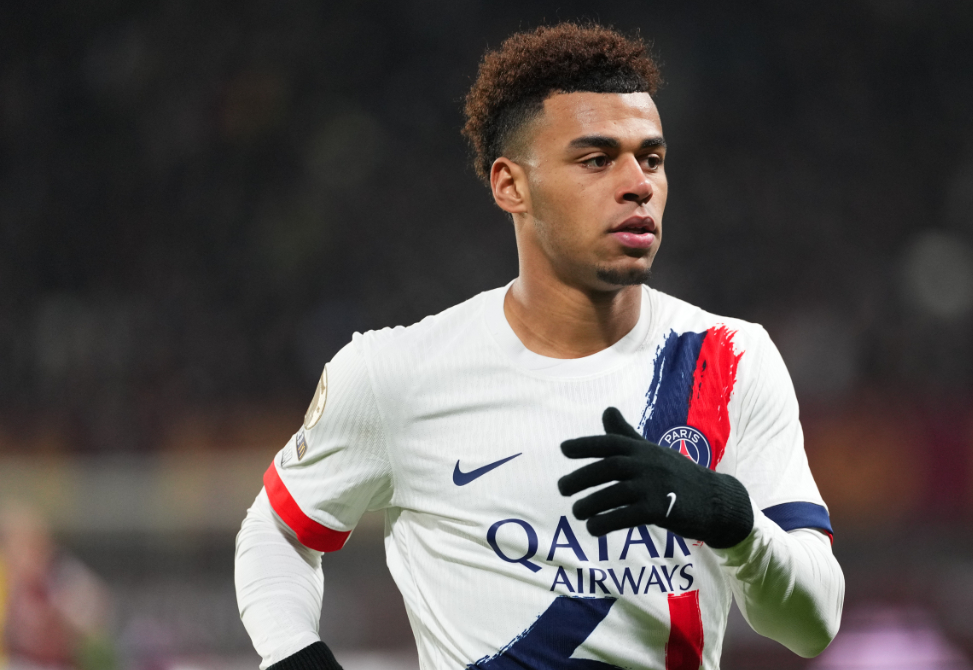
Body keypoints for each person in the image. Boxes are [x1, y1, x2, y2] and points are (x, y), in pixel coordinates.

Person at [234, 22, 844, 670]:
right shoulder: (398, 374)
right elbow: (278, 530)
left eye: (651, 158)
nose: (638, 183)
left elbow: (813, 627)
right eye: (597, 160)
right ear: (511, 186)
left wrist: (734, 523)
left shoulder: (730, 360)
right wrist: (294, 654)